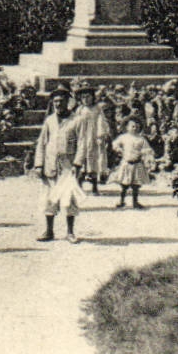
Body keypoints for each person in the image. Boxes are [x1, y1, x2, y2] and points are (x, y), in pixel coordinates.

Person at [33, 91, 85, 243]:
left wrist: (77, 163)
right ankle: (49, 231)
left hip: (68, 165)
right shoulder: (49, 121)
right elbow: (42, 143)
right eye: (55, 101)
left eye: (61, 101)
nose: (58, 104)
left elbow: (82, 144)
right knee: (49, 198)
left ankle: (70, 232)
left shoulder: (77, 120)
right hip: (50, 164)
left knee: (68, 198)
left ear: (68, 101)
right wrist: (38, 164)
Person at [110, 118, 157, 209]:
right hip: (127, 163)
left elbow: (147, 149)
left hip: (137, 163)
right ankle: (122, 201)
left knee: (136, 185)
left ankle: (135, 202)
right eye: (133, 126)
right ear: (127, 127)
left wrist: (145, 153)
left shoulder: (141, 139)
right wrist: (119, 150)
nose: (135, 128)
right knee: (124, 184)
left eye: (137, 127)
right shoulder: (124, 137)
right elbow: (115, 144)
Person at [75, 94, 111, 196]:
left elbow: (101, 122)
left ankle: (94, 187)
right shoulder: (80, 109)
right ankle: (79, 186)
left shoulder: (97, 109)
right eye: (83, 97)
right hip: (82, 137)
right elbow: (75, 122)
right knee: (81, 160)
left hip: (93, 138)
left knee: (94, 160)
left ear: (93, 98)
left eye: (88, 97)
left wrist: (100, 135)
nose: (86, 99)